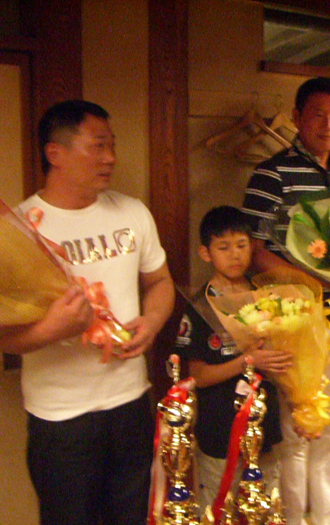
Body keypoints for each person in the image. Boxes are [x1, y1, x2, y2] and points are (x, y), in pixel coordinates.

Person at [1, 100, 175, 525]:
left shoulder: (133, 212)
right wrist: (52, 329)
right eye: (98, 146)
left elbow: (161, 283)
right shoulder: (19, 230)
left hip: (131, 402)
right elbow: (4, 337)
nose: (110, 158)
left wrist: (151, 323)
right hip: (61, 417)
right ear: (54, 153)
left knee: (134, 516)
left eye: (111, 145)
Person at [241, 76, 330, 525]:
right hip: (292, 320)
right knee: (296, 429)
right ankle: (293, 518)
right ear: (297, 118)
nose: (328, 124)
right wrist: (323, 285)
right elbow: (255, 252)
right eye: (318, 114)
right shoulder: (271, 173)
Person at [173, 205, 292, 512]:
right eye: (223, 247)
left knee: (265, 507)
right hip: (219, 433)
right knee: (219, 508)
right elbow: (198, 376)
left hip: (264, 428)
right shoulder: (199, 306)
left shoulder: (266, 296)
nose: (235, 255)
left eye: (241, 245)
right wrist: (247, 361)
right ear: (205, 253)